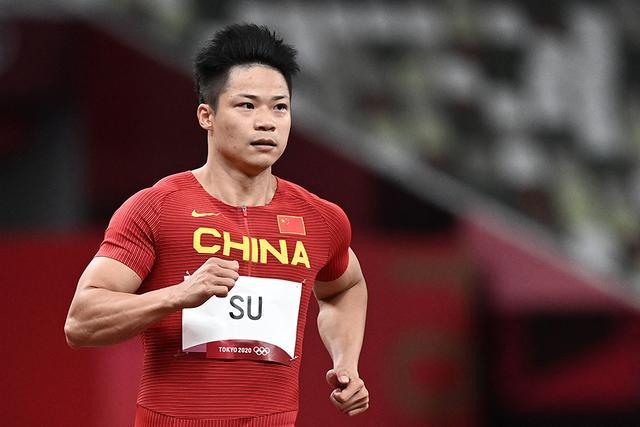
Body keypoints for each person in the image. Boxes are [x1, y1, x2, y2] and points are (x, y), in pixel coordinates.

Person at [64, 23, 369, 426]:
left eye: (280, 107)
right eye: (247, 106)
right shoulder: (157, 207)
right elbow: (81, 322)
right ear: (206, 115)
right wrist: (178, 295)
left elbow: (345, 286)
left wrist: (345, 361)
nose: (267, 122)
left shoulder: (320, 219)